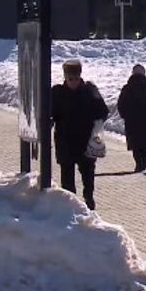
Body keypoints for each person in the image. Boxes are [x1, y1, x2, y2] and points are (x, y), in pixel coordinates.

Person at [51, 59, 108, 210]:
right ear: (65, 78)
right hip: (65, 141)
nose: (73, 82)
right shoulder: (57, 93)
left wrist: (96, 121)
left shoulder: (90, 91)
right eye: (70, 79)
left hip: (86, 141)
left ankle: (89, 200)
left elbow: (103, 110)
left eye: (76, 78)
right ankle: (71, 206)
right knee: (67, 178)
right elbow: (50, 114)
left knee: (88, 175)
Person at [117, 64, 146, 172]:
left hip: (132, 119)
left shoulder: (127, 88)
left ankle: (139, 162)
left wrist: (125, 115)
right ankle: (145, 161)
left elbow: (120, 104)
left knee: (135, 142)